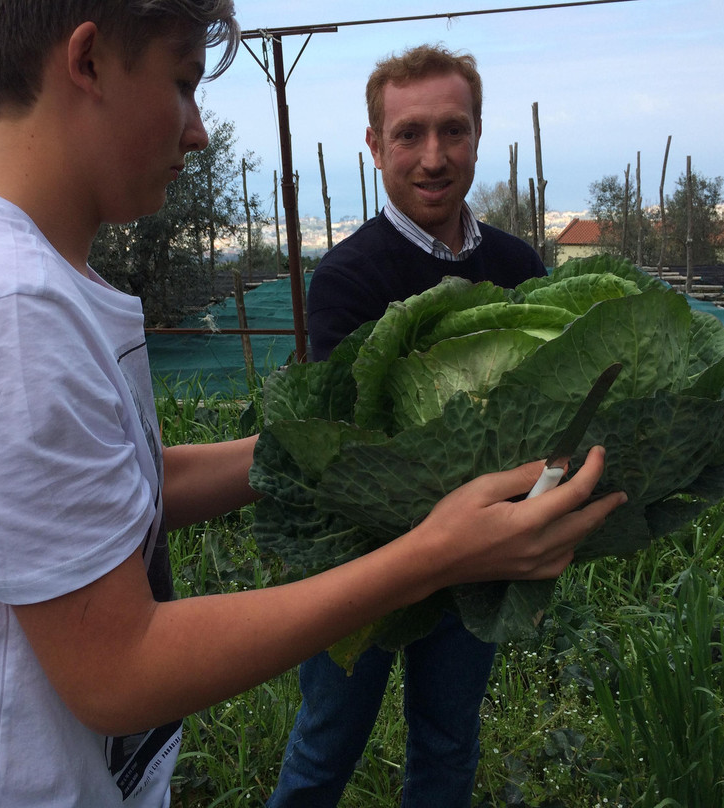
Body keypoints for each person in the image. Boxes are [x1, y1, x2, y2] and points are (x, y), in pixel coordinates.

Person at [0, 4, 625, 805]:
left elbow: (121, 493)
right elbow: (121, 672)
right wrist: (434, 555)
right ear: (88, 62)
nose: (198, 130)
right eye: (182, 84)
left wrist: (343, 447)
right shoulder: (1, 312)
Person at [269, 45, 549, 808]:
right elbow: (349, 447)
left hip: (479, 556)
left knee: (449, 743)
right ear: (374, 146)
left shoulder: (523, 268)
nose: (434, 157)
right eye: (409, 134)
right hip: (360, 556)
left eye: (453, 131)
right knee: (326, 746)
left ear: (478, 135)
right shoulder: (347, 278)